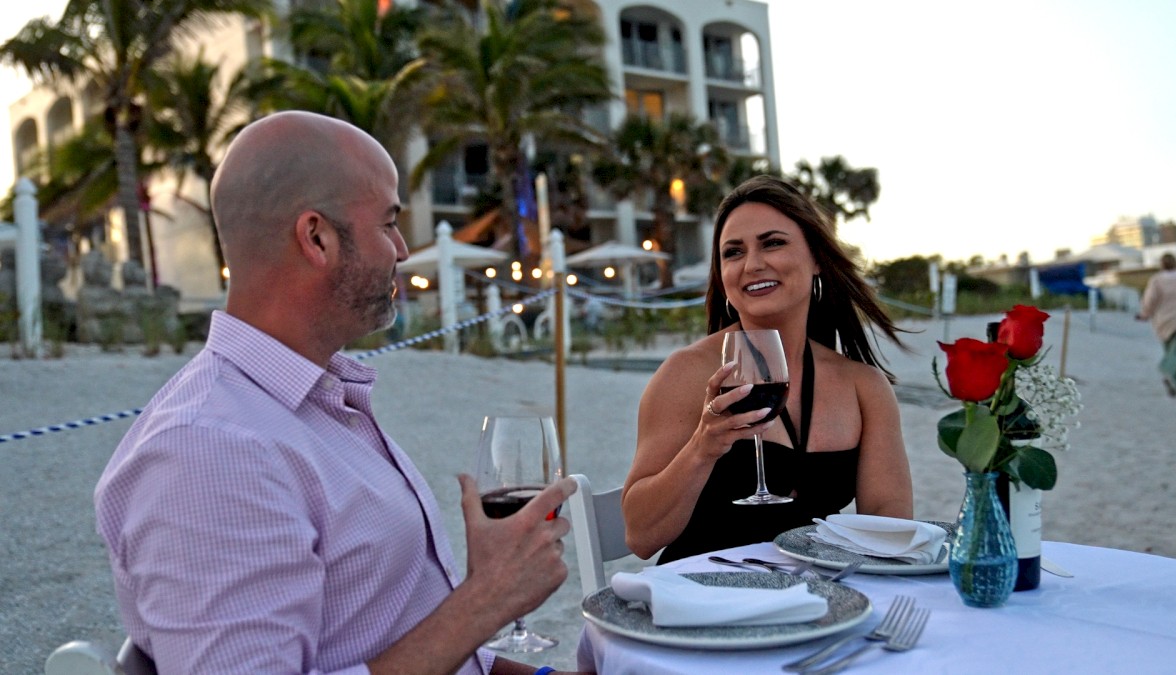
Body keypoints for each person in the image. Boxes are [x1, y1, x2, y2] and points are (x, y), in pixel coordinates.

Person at [94, 111, 581, 675]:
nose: (401, 249)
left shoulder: (313, 405)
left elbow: (396, 631)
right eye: (388, 222)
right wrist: (486, 601)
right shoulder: (211, 450)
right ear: (317, 237)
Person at [622, 175, 913, 563]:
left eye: (772, 243)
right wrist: (702, 448)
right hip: (703, 598)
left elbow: (889, 526)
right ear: (722, 278)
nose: (753, 265)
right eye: (733, 252)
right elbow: (640, 537)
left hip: (816, 602)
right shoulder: (688, 373)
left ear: (818, 260)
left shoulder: (864, 386)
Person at [1136, 252, 1176, 397]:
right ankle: (1167, 370)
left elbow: (1149, 300)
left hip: (1162, 321)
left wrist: (1144, 314)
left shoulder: (1156, 280)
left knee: (1170, 352)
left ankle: (1175, 387)